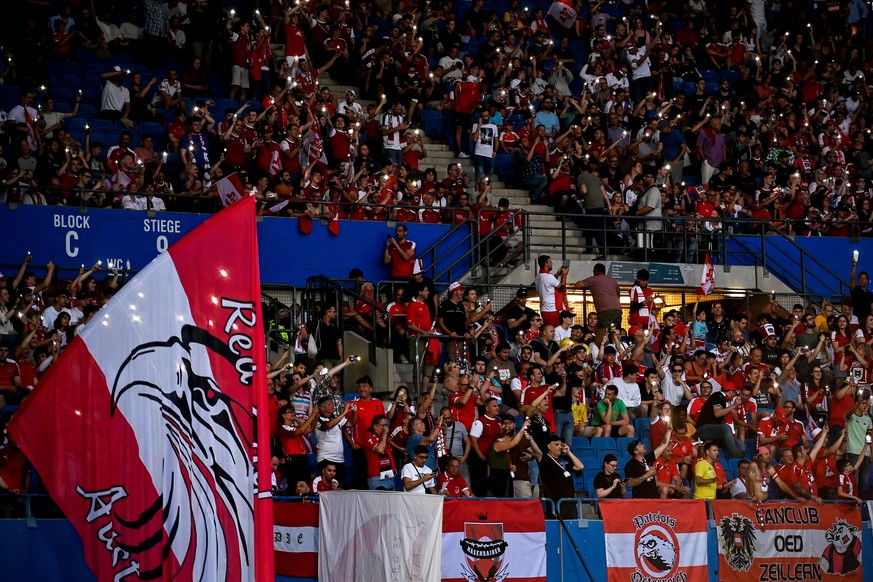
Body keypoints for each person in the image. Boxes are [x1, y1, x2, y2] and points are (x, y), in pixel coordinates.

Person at [533, 435, 584, 518]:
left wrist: (569, 452)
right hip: (555, 501)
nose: (560, 447)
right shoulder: (545, 459)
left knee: (572, 527)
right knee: (556, 528)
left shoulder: (565, 459)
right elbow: (536, 451)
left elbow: (580, 466)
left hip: (570, 501)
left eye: (561, 445)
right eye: (557, 444)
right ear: (549, 446)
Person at [573, 263, 622, 332]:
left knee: (603, 331)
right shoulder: (612, 280)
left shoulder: (594, 279)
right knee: (616, 331)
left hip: (604, 311)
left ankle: (603, 343)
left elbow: (578, 285)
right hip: (617, 310)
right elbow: (618, 291)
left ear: (595, 271)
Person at [625, 431, 673, 499]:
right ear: (636, 451)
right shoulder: (630, 465)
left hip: (653, 495)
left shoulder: (648, 458)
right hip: (640, 498)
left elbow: (663, 445)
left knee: (665, 488)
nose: (643, 445)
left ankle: (661, 509)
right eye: (640, 445)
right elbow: (630, 483)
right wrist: (647, 475)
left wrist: (669, 431)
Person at [362, 415, 397, 490]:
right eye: (383, 425)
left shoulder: (383, 438)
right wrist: (385, 434)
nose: (385, 428)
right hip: (377, 477)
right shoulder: (368, 436)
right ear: (375, 426)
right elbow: (379, 450)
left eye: (386, 425)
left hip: (389, 475)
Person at [535, 255, 568, 327]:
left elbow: (549, 283)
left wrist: (557, 274)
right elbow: (561, 287)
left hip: (544, 309)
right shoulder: (548, 276)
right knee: (554, 331)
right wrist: (564, 275)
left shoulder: (538, 276)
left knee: (549, 330)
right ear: (546, 264)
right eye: (550, 262)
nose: (552, 263)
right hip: (552, 309)